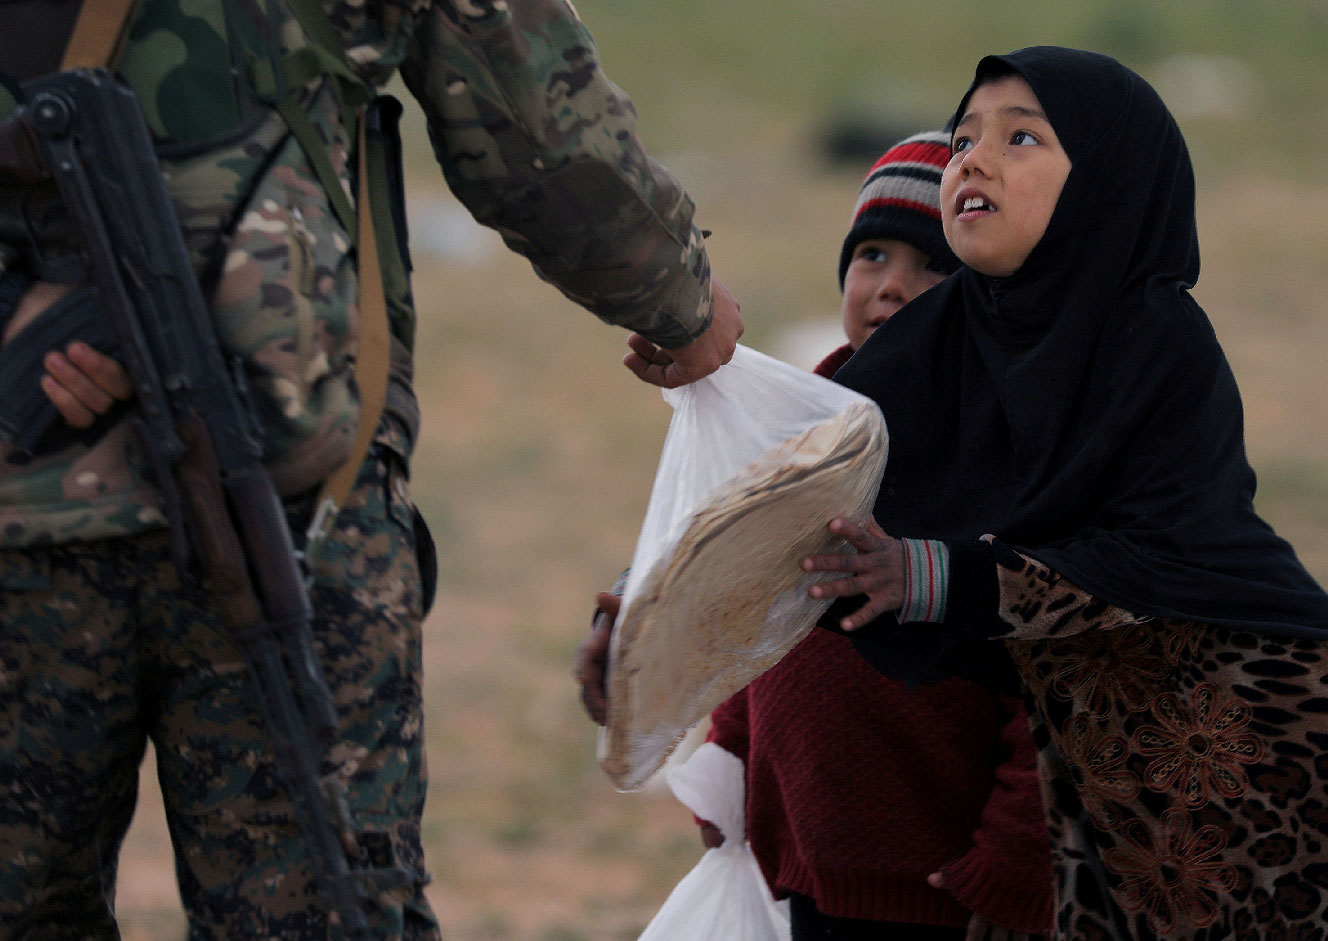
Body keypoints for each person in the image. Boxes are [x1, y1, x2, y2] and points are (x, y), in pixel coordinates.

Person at [0, 2, 740, 937]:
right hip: (295, 491)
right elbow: (534, 122)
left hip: (195, 508)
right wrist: (680, 296)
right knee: (320, 907)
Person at [800, 47, 1328, 937]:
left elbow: (1153, 561)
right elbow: (807, 496)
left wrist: (939, 576)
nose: (974, 157)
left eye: (1022, 138)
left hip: (1238, 777)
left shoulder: (1153, 341)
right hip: (1076, 801)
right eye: (965, 136)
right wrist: (702, 368)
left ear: (1108, 180)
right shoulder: (937, 347)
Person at [578, 132, 1054, 941]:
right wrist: (731, 762)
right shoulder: (810, 435)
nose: (892, 288)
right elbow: (757, 610)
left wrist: (1010, 869)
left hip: (950, 886)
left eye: (935, 265)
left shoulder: (1020, 459)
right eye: (872, 255)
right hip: (803, 865)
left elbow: (1054, 690)